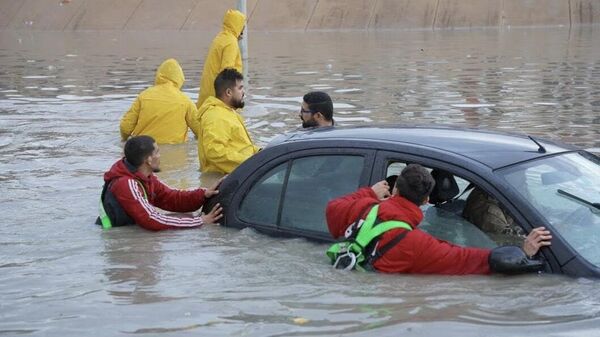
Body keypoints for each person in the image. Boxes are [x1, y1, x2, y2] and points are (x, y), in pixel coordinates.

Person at [326, 164, 552, 275]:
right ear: (426, 201)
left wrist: (369, 193)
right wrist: (522, 253)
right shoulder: (417, 244)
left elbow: (332, 209)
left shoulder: (364, 208)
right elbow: (466, 260)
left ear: (395, 189)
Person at [98, 135, 222, 231]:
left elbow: (171, 198)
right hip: (118, 238)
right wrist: (200, 221)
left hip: (129, 230)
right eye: (157, 152)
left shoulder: (144, 177)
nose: (160, 155)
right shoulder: (126, 184)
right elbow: (151, 219)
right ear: (149, 160)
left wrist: (203, 194)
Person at [120, 58, 198, 144]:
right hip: (174, 151)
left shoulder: (144, 96)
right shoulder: (185, 100)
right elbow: (200, 130)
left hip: (144, 150)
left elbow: (125, 127)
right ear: (180, 78)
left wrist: (124, 139)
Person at [196, 68, 259, 174]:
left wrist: (260, 153)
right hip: (224, 179)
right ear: (229, 92)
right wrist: (250, 162)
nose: (243, 92)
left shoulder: (227, 112)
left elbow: (240, 145)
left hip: (237, 173)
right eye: (240, 88)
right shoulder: (216, 117)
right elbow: (214, 152)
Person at [196, 9, 245, 108]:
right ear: (238, 25)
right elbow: (227, 74)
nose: (243, 29)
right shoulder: (231, 43)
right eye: (242, 25)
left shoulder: (220, 38)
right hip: (218, 98)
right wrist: (229, 103)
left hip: (207, 94)